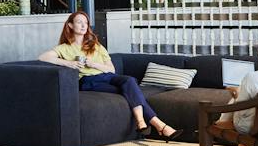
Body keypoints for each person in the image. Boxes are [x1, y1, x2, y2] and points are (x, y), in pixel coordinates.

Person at [38, 10, 177, 139]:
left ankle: (143, 122)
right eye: (79, 22)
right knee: (131, 91)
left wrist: (93, 64)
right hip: (88, 81)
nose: (83, 25)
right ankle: (158, 125)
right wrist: (69, 63)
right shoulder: (64, 48)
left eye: (85, 22)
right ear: (70, 25)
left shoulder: (96, 46)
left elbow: (111, 69)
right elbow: (43, 57)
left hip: (107, 76)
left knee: (129, 82)